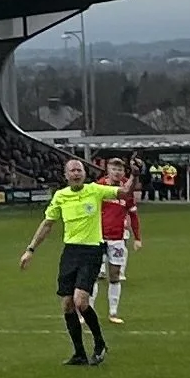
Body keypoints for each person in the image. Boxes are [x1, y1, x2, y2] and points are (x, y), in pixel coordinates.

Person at [17, 156, 117, 365]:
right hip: (70, 251)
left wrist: (134, 175)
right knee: (67, 304)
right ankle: (79, 353)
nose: (76, 173)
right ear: (66, 175)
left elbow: (124, 191)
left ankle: (99, 343)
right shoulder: (60, 197)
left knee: (81, 301)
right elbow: (47, 224)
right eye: (72, 170)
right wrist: (30, 249)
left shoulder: (95, 190)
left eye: (79, 170)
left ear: (84, 173)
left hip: (91, 251)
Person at [98, 156, 142, 324]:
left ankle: (113, 312)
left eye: (120, 169)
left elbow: (133, 214)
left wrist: (137, 237)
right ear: (108, 170)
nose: (117, 172)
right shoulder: (99, 187)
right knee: (94, 275)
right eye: (114, 169)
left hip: (117, 238)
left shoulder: (126, 190)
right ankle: (88, 311)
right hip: (98, 237)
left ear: (124, 172)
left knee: (115, 275)